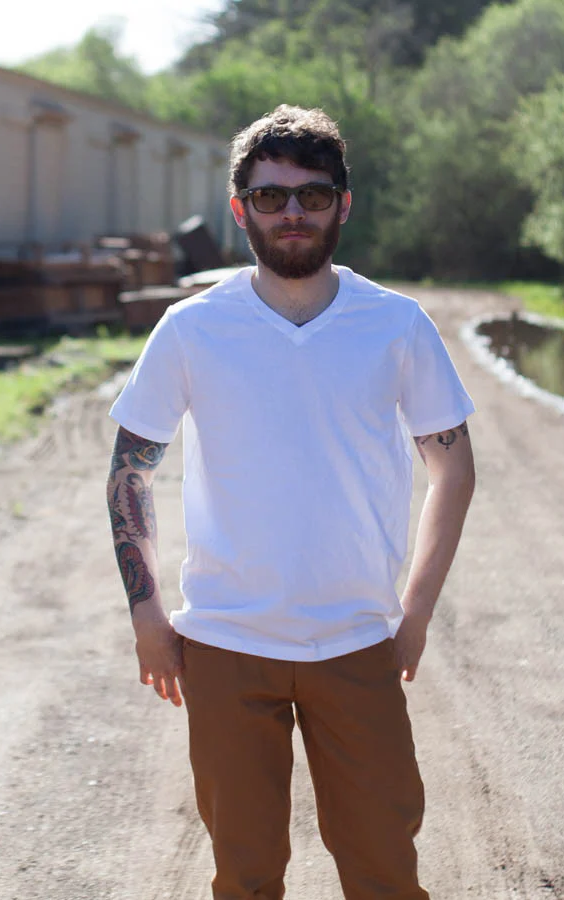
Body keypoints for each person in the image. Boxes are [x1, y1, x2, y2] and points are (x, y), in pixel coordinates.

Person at [107, 104, 476, 900]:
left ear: (344, 203)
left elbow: (454, 470)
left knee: (384, 871)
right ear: (240, 209)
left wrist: (414, 614)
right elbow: (129, 472)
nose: (293, 212)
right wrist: (146, 615)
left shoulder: (395, 324)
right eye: (271, 196)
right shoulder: (192, 327)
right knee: (245, 877)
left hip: (356, 641)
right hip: (227, 645)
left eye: (313, 194)